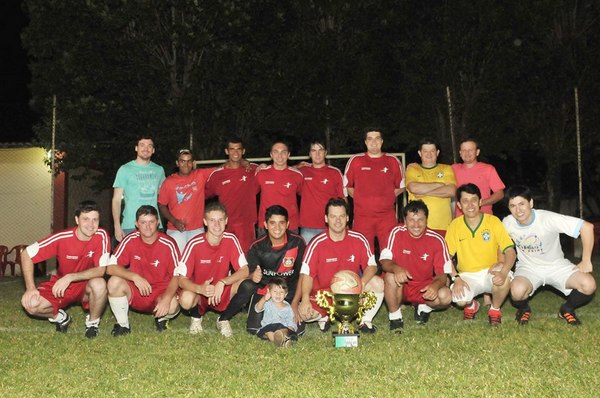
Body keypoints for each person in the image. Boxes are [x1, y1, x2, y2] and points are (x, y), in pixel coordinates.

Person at [503, 185, 596, 325]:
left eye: (522, 204)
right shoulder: (507, 222)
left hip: (557, 266)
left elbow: (587, 227)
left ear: (531, 203)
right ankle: (524, 309)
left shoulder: (547, 218)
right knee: (517, 291)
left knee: (589, 284)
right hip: (528, 268)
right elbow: (499, 244)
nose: (518, 210)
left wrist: (586, 259)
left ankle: (567, 309)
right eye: (513, 206)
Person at [20, 200, 110, 338]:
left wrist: (70, 277)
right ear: (76, 220)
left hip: (86, 285)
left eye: (95, 220)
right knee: (31, 304)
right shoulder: (63, 237)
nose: (91, 225)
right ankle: (60, 318)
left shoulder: (101, 236)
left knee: (100, 283)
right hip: (62, 286)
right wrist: (30, 287)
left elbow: (100, 270)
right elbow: (26, 254)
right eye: (86, 219)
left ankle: (92, 324)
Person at [298, 197, 384, 333]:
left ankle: (365, 321)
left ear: (347, 218)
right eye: (333, 216)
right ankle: (324, 315)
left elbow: (372, 266)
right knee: (305, 315)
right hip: (324, 296)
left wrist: (361, 283)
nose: (337, 220)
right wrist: (305, 299)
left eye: (341, 216)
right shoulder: (316, 243)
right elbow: (307, 275)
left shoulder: (359, 239)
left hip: (351, 292)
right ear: (326, 218)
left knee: (378, 283)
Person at [220, 205, 306, 335]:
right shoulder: (257, 246)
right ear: (265, 224)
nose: (277, 228)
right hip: (265, 292)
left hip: (288, 292)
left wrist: (295, 303)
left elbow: (302, 276)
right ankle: (223, 318)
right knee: (254, 329)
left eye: (281, 223)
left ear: (287, 224)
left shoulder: (298, 243)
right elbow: (248, 273)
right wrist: (252, 275)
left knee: (297, 331)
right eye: (272, 223)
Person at [445, 183, 516, 326]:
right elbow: (445, 256)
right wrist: (456, 278)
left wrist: (503, 271)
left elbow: (510, 251)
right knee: (460, 300)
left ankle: (495, 309)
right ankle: (471, 305)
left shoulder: (493, 221)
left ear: (480, 202)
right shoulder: (455, 225)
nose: (470, 205)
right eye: (465, 201)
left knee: (504, 278)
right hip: (467, 275)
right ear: (459, 205)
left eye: (474, 200)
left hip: (490, 271)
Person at [106, 205, 181, 336]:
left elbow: (177, 275)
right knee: (114, 282)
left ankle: (162, 319)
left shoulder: (168, 243)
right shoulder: (130, 240)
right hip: (137, 290)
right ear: (136, 224)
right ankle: (123, 325)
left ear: (158, 222)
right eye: (143, 222)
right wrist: (134, 276)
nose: (147, 226)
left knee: (173, 304)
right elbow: (110, 267)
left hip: (160, 292)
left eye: (151, 222)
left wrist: (166, 299)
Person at [178, 201, 249, 337]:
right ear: (205, 222)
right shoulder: (194, 243)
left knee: (247, 285)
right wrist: (200, 289)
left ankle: (223, 319)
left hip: (221, 290)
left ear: (226, 221)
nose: (217, 225)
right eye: (212, 220)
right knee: (186, 299)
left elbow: (244, 270)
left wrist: (223, 282)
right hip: (200, 292)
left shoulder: (231, 239)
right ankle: (196, 317)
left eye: (220, 220)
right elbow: (181, 280)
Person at [380, 200, 452, 332]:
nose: (416, 225)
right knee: (390, 276)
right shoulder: (395, 233)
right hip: (402, 286)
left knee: (446, 295)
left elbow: (443, 274)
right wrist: (396, 268)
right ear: (405, 221)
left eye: (420, 220)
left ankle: (424, 307)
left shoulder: (437, 239)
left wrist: (435, 286)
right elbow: (384, 262)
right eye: (411, 220)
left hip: (423, 288)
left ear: (426, 220)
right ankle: (395, 317)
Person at [343, 129, 405, 250]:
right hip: (362, 217)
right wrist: (362, 199)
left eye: (377, 138)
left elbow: (401, 186)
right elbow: (347, 185)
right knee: (362, 252)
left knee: (390, 252)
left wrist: (386, 199)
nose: (374, 142)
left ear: (382, 141)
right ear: (365, 142)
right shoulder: (356, 160)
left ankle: (387, 270)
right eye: (370, 139)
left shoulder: (392, 161)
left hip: (387, 217)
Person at [206, 138, 259, 252]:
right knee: (224, 257)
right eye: (232, 149)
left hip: (246, 224)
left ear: (243, 151)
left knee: (246, 260)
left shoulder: (252, 169)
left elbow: (275, 169)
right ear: (226, 151)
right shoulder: (217, 174)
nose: (235, 153)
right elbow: (202, 196)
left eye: (238, 149)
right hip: (224, 224)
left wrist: (298, 167)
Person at [158, 148, 216, 252]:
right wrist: (174, 221)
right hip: (176, 231)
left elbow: (222, 168)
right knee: (178, 263)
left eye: (189, 161)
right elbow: (161, 204)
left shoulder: (200, 175)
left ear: (193, 163)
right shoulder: (169, 182)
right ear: (177, 163)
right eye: (182, 161)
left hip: (197, 229)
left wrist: (242, 161)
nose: (186, 164)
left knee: (198, 262)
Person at [112, 135, 165, 243]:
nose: (146, 148)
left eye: (149, 146)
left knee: (155, 259)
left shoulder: (159, 170)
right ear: (136, 148)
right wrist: (117, 226)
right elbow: (116, 200)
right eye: (142, 145)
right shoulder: (125, 169)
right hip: (130, 225)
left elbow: (164, 197)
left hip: (154, 225)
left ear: (153, 150)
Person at [298, 139, 345, 244]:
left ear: (326, 153)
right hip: (308, 227)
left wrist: (344, 224)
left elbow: (343, 199)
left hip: (331, 226)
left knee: (333, 258)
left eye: (320, 150)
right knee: (308, 259)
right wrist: (296, 166)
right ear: (309, 154)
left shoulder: (335, 172)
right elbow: (284, 172)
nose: (317, 154)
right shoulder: (302, 172)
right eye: (314, 150)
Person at [406, 137, 456, 232]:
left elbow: (452, 190)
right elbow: (413, 188)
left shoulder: (447, 168)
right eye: (425, 151)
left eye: (432, 151)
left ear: (437, 153)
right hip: (418, 227)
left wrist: (423, 192)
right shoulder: (412, 169)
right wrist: (439, 184)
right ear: (420, 153)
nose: (429, 154)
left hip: (443, 226)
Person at [255, 141, 303, 235]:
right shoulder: (261, 173)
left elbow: (302, 194)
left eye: (283, 152)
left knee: (292, 250)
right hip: (266, 226)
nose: (280, 155)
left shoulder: (297, 175)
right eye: (276, 152)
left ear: (288, 155)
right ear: (271, 155)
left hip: (290, 226)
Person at [452, 138, 505, 216]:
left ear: (477, 152)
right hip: (461, 219)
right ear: (460, 153)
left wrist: (479, 203)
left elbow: (500, 194)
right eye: (464, 150)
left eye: (470, 150)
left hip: (484, 217)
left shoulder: (488, 169)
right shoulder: (453, 169)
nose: (467, 153)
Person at [255, 277, 297, 348]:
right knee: (269, 332)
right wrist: (264, 299)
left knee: (284, 330)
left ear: (286, 294)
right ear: (269, 291)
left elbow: (290, 320)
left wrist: (289, 328)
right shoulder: (267, 303)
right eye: (275, 291)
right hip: (268, 326)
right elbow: (257, 309)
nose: (278, 294)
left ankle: (282, 338)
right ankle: (279, 341)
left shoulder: (287, 307)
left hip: (282, 327)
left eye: (281, 292)